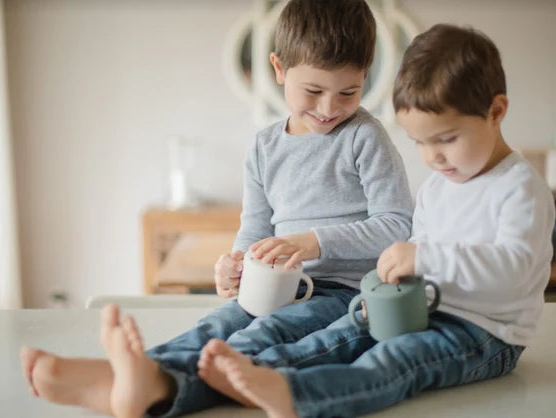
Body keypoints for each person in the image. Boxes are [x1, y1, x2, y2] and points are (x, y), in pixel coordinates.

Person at [20, 1, 412, 417]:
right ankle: (130, 376)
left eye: (348, 92)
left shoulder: (365, 137)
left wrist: (312, 243)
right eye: (313, 91)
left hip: (345, 292)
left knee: (267, 334)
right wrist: (238, 263)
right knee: (216, 324)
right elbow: (256, 226)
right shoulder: (265, 147)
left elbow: (396, 226)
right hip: (277, 287)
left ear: (365, 78)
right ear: (279, 69)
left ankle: (158, 387)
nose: (329, 108)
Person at [196, 23, 556, 418]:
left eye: (446, 139)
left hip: (486, 333)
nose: (432, 158)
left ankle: (294, 395)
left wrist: (421, 260)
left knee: (396, 360)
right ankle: (254, 373)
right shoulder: (440, 186)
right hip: (427, 309)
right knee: (340, 334)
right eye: (420, 143)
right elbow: (421, 259)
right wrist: (391, 287)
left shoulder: (521, 188)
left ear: (496, 111)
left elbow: (515, 270)